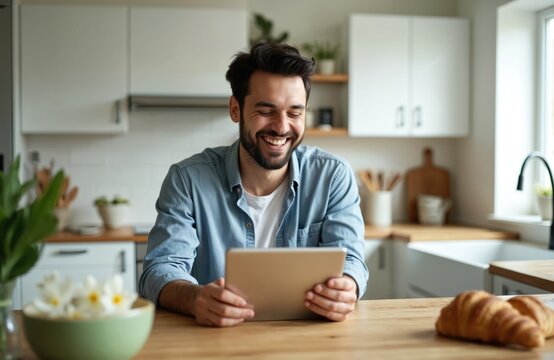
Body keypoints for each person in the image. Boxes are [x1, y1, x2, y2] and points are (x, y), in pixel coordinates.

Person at [139, 42, 368, 327]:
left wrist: (347, 287)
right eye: (266, 110)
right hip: (213, 340)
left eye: (295, 113)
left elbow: (353, 261)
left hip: (308, 341)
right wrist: (194, 298)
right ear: (235, 109)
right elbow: (160, 268)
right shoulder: (187, 179)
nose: (282, 127)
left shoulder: (333, 176)